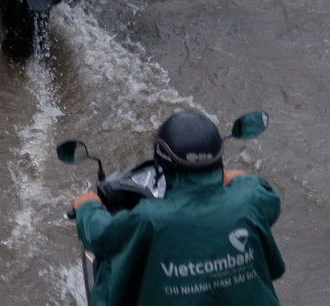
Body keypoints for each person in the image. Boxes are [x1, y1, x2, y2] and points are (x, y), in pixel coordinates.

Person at [74, 112, 286, 305]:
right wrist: (222, 177)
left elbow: (102, 236)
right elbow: (261, 191)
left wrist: (87, 206)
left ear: (161, 161)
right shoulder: (251, 198)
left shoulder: (149, 218)